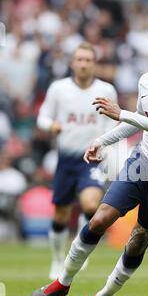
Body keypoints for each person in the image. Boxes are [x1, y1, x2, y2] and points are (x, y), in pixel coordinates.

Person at [30, 19, 148, 296]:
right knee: (99, 218)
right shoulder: (145, 81)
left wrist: (121, 112)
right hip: (142, 162)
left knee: (138, 240)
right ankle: (62, 281)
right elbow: (136, 120)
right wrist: (102, 139)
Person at [37, 42, 118, 279]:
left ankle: (78, 249)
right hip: (66, 158)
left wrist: (103, 144)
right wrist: (51, 125)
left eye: (88, 60)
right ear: (73, 63)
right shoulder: (58, 89)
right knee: (61, 214)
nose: (83, 64)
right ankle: (56, 258)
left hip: (91, 159)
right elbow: (43, 116)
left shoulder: (106, 90)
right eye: (79, 59)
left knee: (92, 205)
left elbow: (111, 123)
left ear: (94, 64)